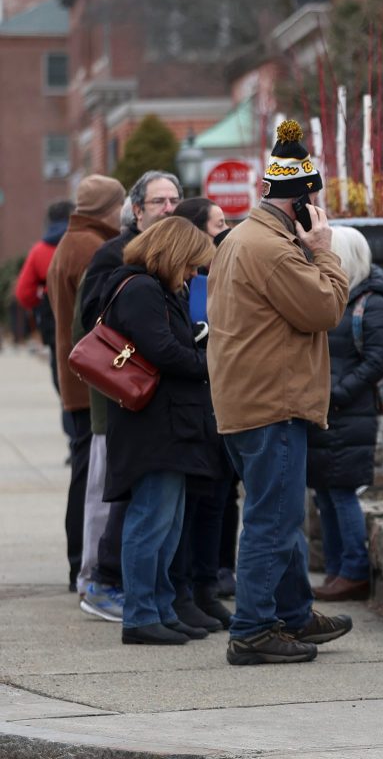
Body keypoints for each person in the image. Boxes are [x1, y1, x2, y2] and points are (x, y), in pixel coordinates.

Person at [207, 120, 352, 664]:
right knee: (272, 519)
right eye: (316, 201)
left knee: (281, 513)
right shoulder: (275, 248)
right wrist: (323, 251)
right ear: (304, 202)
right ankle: (252, 630)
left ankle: (291, 614)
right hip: (272, 405)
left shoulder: (244, 237)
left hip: (249, 402)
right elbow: (326, 308)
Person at [99, 217, 225, 643]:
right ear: (173, 255)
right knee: (151, 519)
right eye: (190, 265)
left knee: (167, 522)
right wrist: (209, 364)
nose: (192, 274)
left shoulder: (155, 289)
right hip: (153, 425)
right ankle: (139, 616)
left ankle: (160, 606)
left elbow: (170, 345)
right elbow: (164, 351)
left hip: (167, 422)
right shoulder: (141, 289)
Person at [74, 171, 185, 623]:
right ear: (136, 211)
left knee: (153, 505)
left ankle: (141, 592)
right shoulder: (115, 256)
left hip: (162, 397)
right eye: (159, 201)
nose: (169, 209)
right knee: (116, 496)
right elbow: (95, 319)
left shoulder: (171, 256)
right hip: (123, 393)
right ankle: (101, 580)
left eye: (175, 200)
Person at [306, 226, 383, 602]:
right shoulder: (332, 296)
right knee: (324, 494)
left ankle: (354, 571)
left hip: (347, 411)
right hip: (325, 408)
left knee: (341, 493)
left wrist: (337, 394)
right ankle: (336, 570)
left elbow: (377, 360)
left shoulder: (370, 303)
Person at [46, 175, 126, 594]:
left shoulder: (71, 241)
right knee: (89, 477)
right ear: (109, 208)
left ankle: (79, 561)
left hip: (73, 377)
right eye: (121, 202)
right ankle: (83, 563)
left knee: (83, 474)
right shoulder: (92, 246)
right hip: (86, 383)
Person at [170, 196, 235, 630]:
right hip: (195, 403)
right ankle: (185, 592)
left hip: (226, 400)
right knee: (193, 502)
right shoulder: (182, 283)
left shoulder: (223, 274)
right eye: (218, 223)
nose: (226, 230)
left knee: (220, 499)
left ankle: (208, 587)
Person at [13, 200, 74, 394]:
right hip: (84, 316)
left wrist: (40, 302)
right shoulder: (84, 242)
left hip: (52, 319)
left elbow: (24, 292)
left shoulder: (39, 250)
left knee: (62, 381)